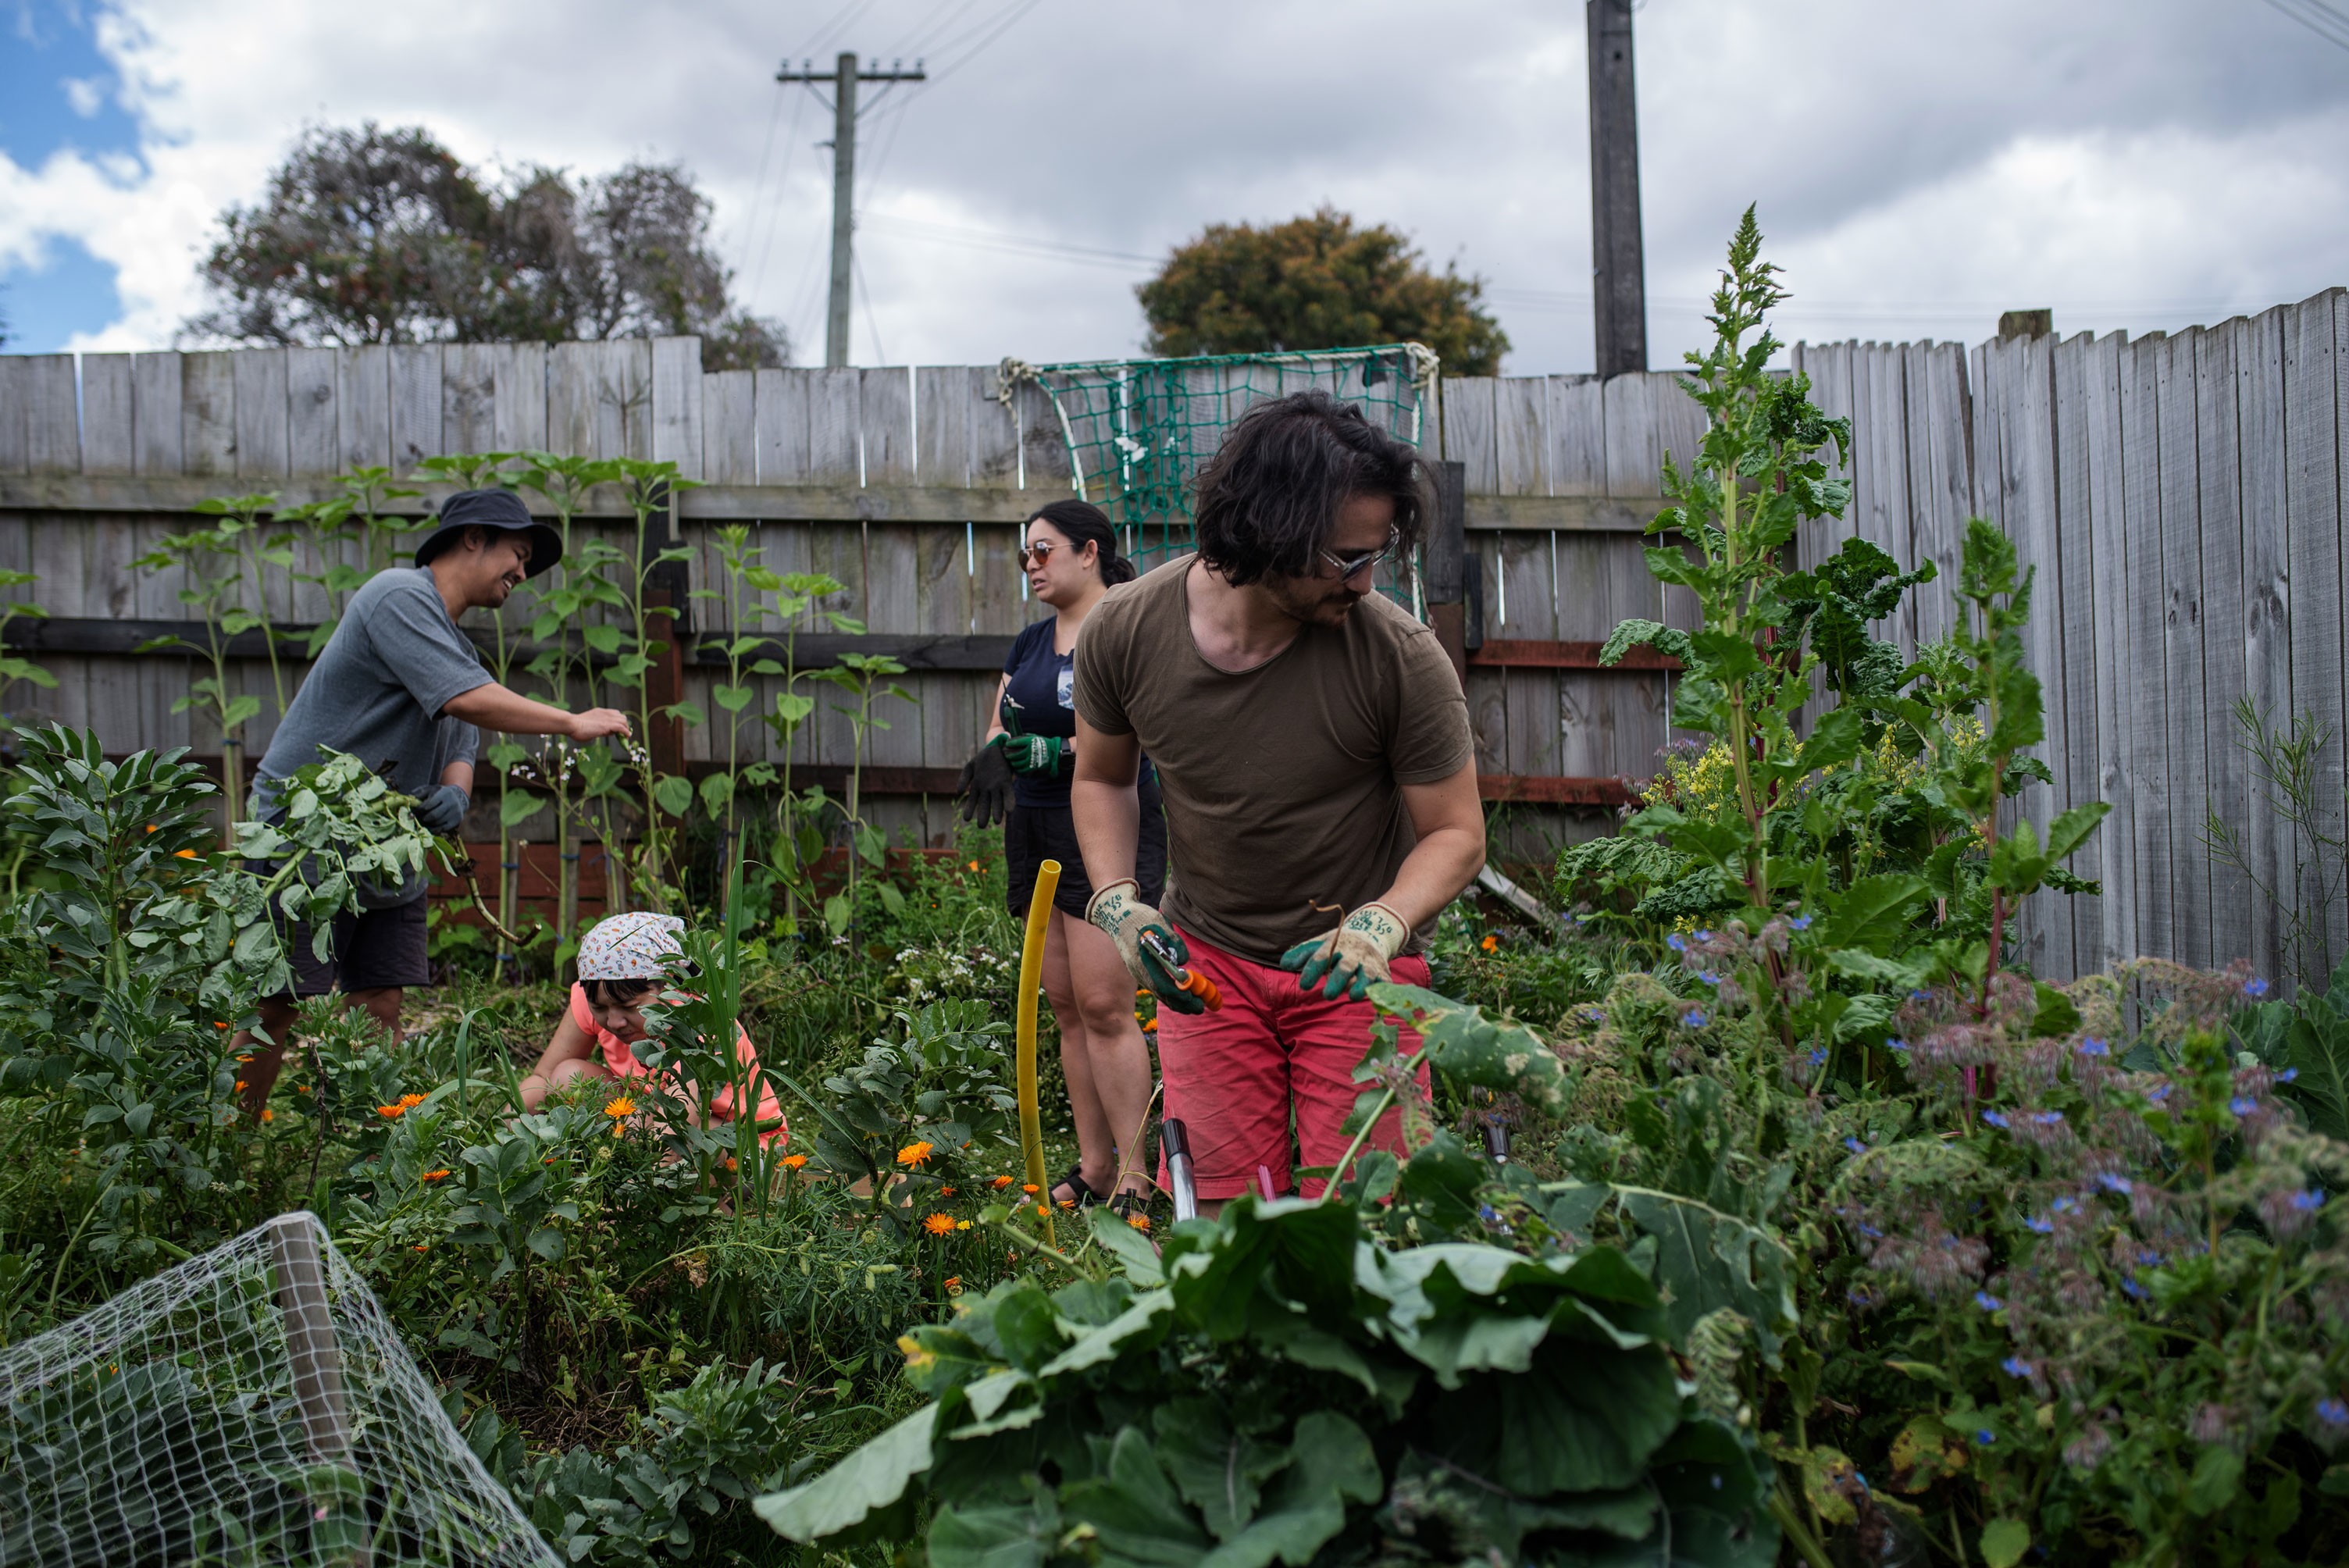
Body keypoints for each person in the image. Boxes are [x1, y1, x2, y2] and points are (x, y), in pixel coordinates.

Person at [1068, 391, 1485, 1212]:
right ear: (1268, 530)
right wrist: (1118, 900)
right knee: (1223, 1227)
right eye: (1343, 559)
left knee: (1369, 1215)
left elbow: (1456, 834)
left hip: (1356, 970)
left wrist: (1380, 923)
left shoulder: (1398, 656)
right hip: (1209, 969)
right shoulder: (1122, 631)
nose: (1365, 583)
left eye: (1375, 557)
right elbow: (1102, 777)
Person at [236, 489, 633, 1117]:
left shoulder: (458, 651)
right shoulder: (397, 596)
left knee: (379, 1002)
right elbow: (464, 699)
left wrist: (455, 790)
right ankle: (232, 1143)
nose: (522, 574)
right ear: (473, 537)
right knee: (277, 1000)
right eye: (518, 554)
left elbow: (462, 738)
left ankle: (372, 1145)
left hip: (385, 844)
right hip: (308, 833)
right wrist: (569, 722)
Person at [957, 501, 1166, 1213]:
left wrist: (1064, 749)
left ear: (1091, 552)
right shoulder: (1029, 644)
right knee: (1069, 1006)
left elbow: (1144, 733)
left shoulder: (1126, 629)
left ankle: (1140, 1178)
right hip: (1038, 829)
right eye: (1025, 556)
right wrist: (994, 752)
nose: (1032, 565)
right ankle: (1096, 1167)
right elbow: (1001, 717)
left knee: (1108, 1005)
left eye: (1044, 551)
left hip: (1106, 827)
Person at [519, 912, 787, 1142]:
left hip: (738, 1143)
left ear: (668, 984)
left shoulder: (698, 1021)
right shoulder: (596, 997)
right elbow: (543, 1080)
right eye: (599, 1008)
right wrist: (508, 1135)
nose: (614, 1022)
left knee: (683, 1142)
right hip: (650, 1118)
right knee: (565, 1077)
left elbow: (677, 1128)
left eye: (628, 1006)